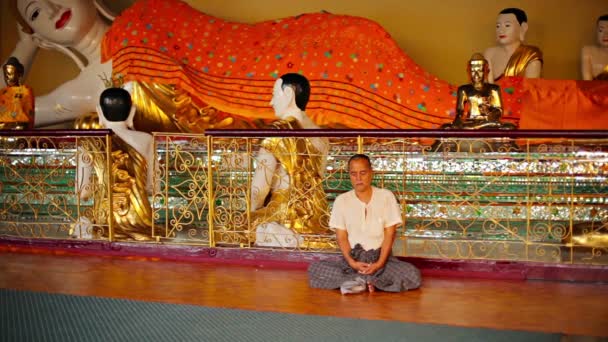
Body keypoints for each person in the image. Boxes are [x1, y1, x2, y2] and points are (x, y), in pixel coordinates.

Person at [308, 154, 421, 294]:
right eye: (353, 174)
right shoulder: (341, 200)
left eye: (363, 173)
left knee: (412, 273)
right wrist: (352, 262)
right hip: (353, 259)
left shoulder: (386, 196)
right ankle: (368, 280)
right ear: (349, 175)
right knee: (315, 268)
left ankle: (359, 281)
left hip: (381, 259)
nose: (358, 178)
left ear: (371, 173)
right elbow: (341, 237)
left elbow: (390, 234)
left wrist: (379, 263)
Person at [249, 73, 331, 247]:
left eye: (274, 94)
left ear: (288, 95)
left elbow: (260, 187)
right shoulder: (323, 136)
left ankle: (290, 238)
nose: (271, 102)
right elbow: (318, 177)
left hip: (283, 213)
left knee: (236, 224)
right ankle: (308, 239)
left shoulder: (277, 131)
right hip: (318, 215)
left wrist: (251, 212)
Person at [75, 87, 155, 241]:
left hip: (105, 222)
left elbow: (82, 192)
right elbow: (153, 185)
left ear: (99, 112)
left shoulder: (90, 144)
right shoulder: (147, 140)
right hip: (141, 220)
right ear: (132, 112)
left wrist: (102, 181)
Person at [443, 53, 515, 130]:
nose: (476, 74)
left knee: (509, 128)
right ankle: (475, 129)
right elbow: (460, 111)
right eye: (473, 71)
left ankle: (475, 129)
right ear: (468, 72)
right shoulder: (463, 89)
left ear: (487, 71)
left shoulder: (494, 89)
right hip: (470, 121)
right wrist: (458, 119)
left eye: (480, 71)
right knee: (446, 128)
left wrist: (489, 113)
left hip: (488, 122)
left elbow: (499, 110)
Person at [484, 8, 543, 83]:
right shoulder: (490, 53)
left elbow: (530, 89)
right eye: (498, 26)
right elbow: (487, 87)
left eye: (507, 25)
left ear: (523, 28)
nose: (501, 30)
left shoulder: (530, 55)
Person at [0, 56, 34, 130]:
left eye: (10, 74)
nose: (7, 78)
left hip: (19, 125)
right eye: (5, 75)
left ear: (19, 74)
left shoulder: (25, 90)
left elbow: (29, 114)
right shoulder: (2, 92)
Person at [581, 15, 608, 81]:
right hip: (594, 90)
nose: (605, 35)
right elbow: (587, 81)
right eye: (601, 30)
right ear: (596, 32)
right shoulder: (588, 51)